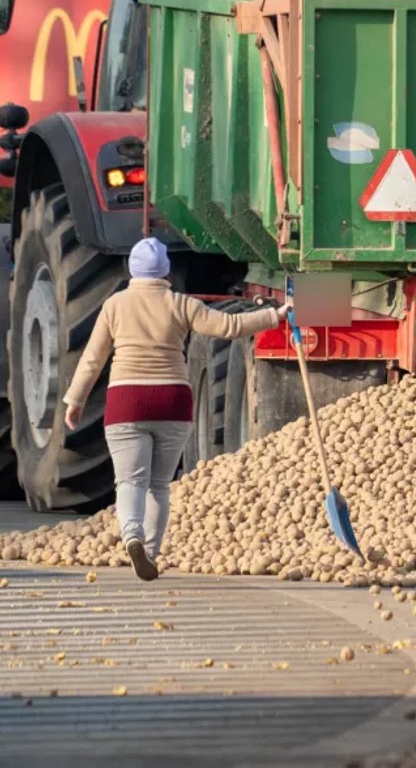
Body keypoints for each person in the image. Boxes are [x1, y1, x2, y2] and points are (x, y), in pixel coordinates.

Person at [63, 238, 289, 581]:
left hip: (127, 401)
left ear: (132, 270)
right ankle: (151, 553)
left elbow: (93, 360)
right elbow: (229, 327)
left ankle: (132, 536)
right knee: (159, 485)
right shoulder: (180, 303)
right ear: (165, 270)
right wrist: (275, 315)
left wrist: (75, 400)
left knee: (129, 480)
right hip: (173, 400)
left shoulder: (114, 305)